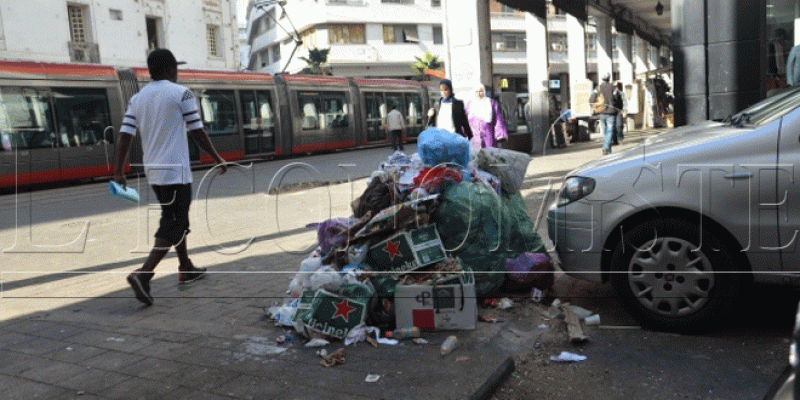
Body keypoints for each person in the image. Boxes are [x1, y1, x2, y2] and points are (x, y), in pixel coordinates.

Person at [113, 48, 227, 306]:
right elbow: (197, 131)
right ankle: (144, 274)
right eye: (175, 68)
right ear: (169, 69)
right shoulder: (181, 93)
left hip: (154, 173)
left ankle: (185, 266)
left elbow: (124, 135)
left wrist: (119, 170)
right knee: (176, 222)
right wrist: (217, 157)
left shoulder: (138, 99)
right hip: (176, 171)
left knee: (174, 218)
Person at [465, 83, 507, 149]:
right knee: (476, 155)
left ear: (484, 91)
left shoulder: (491, 103)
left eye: (481, 91)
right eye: (477, 91)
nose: (479, 93)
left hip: (489, 135)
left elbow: (498, 119)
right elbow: (465, 121)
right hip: (474, 137)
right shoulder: (469, 104)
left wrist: (500, 134)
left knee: (489, 154)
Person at [589, 73, 618, 155]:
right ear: (609, 78)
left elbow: (591, 99)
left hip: (601, 112)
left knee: (605, 131)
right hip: (611, 112)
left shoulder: (598, 88)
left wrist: (594, 106)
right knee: (610, 130)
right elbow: (616, 98)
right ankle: (605, 147)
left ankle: (607, 150)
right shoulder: (613, 87)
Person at [613, 81, 627, 146]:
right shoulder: (611, 93)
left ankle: (620, 139)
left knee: (619, 125)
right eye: (615, 86)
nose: (616, 87)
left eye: (617, 86)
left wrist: (625, 111)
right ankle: (615, 140)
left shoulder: (622, 93)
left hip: (619, 111)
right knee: (613, 126)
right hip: (611, 111)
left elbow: (624, 102)